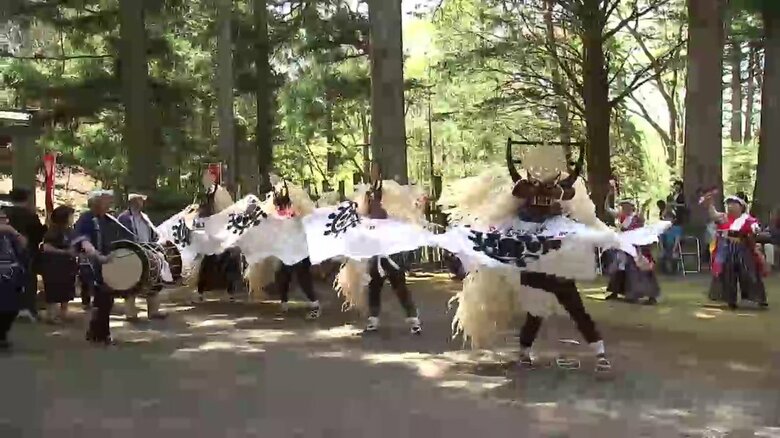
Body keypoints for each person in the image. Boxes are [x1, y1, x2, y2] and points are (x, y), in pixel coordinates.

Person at [362, 162, 421, 334]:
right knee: (374, 283)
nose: (373, 173)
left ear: (380, 172)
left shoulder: (390, 190)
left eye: (375, 170)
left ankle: (413, 319)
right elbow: (365, 213)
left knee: (398, 282)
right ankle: (373, 318)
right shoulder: (368, 192)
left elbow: (400, 211)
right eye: (371, 170)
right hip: (376, 242)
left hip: (390, 243)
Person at [703, 191, 768, 310]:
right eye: (729, 204)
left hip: (743, 249)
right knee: (727, 274)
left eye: (733, 204)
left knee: (749, 272)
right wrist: (710, 204)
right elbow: (714, 215)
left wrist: (755, 230)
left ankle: (755, 298)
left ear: (741, 206)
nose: (730, 206)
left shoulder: (748, 219)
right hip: (727, 250)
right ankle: (729, 300)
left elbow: (755, 227)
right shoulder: (724, 217)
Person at [271, 181, 321, 319]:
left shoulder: (297, 209)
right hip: (287, 250)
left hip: (300, 250)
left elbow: (304, 218)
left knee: (303, 277)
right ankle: (284, 304)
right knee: (282, 276)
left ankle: (315, 305)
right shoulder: (278, 212)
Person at [74, 190, 117, 345]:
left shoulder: (107, 219)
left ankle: (96, 332)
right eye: (106, 201)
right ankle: (100, 333)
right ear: (96, 203)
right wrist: (100, 257)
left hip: (106, 264)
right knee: (102, 298)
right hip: (91, 264)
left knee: (106, 300)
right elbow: (85, 243)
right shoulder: (86, 219)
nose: (110, 204)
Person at [194, 170, 243, 303]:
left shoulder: (220, 193)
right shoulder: (204, 194)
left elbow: (228, 211)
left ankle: (230, 291)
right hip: (211, 233)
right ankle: (200, 291)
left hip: (222, 231)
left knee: (229, 260)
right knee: (208, 262)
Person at [117, 193, 166, 321]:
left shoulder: (145, 217)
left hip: (147, 252)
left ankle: (153, 311)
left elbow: (154, 234)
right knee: (131, 283)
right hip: (131, 252)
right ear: (133, 202)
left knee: (154, 281)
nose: (142, 203)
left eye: (142, 201)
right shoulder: (123, 218)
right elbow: (119, 236)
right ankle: (130, 313)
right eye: (139, 200)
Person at [604, 193, 660, 304]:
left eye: (627, 206)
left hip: (638, 249)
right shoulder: (622, 217)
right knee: (620, 269)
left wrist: (644, 206)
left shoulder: (636, 218)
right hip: (625, 249)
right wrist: (609, 194)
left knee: (642, 271)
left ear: (631, 208)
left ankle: (650, 296)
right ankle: (618, 292)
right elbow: (607, 208)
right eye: (624, 206)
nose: (625, 208)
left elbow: (642, 217)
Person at [1, 188, 46, 322]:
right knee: (28, 278)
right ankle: (26, 308)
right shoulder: (30, 215)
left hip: (5, 251)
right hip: (27, 251)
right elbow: (38, 234)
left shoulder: (4, 212)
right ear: (26, 199)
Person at [40, 205, 78, 324]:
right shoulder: (53, 231)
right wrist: (64, 252)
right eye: (71, 216)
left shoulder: (70, 231)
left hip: (68, 265)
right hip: (54, 265)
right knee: (54, 289)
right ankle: (51, 315)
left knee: (66, 290)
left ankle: (63, 313)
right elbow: (46, 247)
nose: (73, 218)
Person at [0, 208, 29, 351]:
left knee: (11, 308)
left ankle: (2, 334)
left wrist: (13, 231)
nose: (3, 222)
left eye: (4, 218)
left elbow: (24, 244)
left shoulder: (9, 234)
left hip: (10, 276)